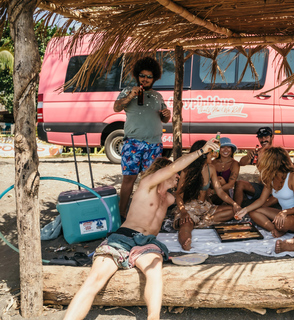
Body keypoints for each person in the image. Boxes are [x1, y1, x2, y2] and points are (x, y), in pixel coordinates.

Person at [63, 138, 218, 320]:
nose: (178, 177)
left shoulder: (168, 199)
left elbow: (185, 190)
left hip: (147, 243)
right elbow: (175, 167)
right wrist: (201, 151)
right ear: (162, 173)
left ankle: (153, 318)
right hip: (123, 238)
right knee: (94, 280)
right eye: (175, 174)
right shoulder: (147, 185)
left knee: (154, 272)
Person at [113, 57, 171, 219]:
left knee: (150, 181)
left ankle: (146, 213)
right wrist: (131, 95)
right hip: (132, 143)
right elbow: (116, 107)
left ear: (155, 78)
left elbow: (164, 119)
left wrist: (167, 115)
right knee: (128, 178)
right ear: (137, 76)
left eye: (149, 76)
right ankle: (121, 213)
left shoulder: (158, 96)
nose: (145, 79)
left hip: (154, 145)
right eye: (142, 75)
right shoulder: (127, 91)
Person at [173, 140, 242, 250]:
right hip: (189, 208)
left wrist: (234, 204)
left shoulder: (211, 168)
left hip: (205, 207)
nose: (214, 155)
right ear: (203, 155)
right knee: (185, 224)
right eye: (211, 153)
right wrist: (183, 212)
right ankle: (185, 242)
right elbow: (178, 194)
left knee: (233, 210)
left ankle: (199, 222)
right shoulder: (187, 170)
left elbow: (219, 191)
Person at [234, 147, 294, 237]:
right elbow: (261, 200)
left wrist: (284, 212)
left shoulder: (293, 177)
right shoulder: (271, 177)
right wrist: (245, 210)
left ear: (273, 163)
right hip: (281, 213)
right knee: (253, 212)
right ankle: (275, 230)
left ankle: (280, 229)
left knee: (282, 224)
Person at [234, 127, 274, 205]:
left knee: (258, 207)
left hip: (276, 189)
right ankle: (236, 210)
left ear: (272, 137)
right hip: (262, 187)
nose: (263, 140)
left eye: (266, 137)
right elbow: (241, 163)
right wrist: (248, 156)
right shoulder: (257, 153)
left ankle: (260, 205)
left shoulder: (278, 152)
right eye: (260, 137)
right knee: (239, 183)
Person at [209, 137, 240, 204]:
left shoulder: (234, 164)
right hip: (211, 190)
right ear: (218, 149)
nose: (226, 150)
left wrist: (213, 191)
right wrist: (211, 155)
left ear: (231, 150)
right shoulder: (213, 162)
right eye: (222, 147)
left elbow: (230, 185)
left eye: (228, 147)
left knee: (220, 180)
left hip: (226, 193)